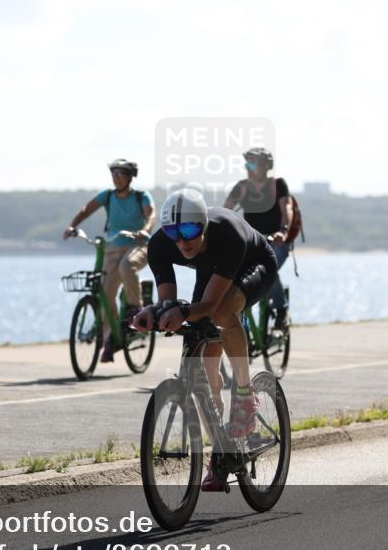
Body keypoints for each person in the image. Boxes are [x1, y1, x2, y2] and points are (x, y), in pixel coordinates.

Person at [132, 189, 279, 492]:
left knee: (224, 313)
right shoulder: (161, 244)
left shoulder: (226, 235)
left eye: (189, 231)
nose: (182, 241)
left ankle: (244, 393)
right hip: (212, 270)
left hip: (253, 263)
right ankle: (222, 455)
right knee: (203, 373)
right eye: (175, 232)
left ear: (204, 226)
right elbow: (167, 302)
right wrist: (151, 313)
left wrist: (184, 311)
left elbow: (209, 308)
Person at [64, 159, 156, 362]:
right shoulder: (108, 196)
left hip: (138, 245)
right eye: (113, 174)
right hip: (113, 248)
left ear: (131, 177)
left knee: (128, 266)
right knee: (105, 295)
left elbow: (151, 215)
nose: (116, 178)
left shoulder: (141, 196)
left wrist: (145, 230)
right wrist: (72, 226)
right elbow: (87, 208)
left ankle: (135, 308)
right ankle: (110, 338)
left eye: (120, 174)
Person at [224, 147, 293, 328]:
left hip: (276, 241)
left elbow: (287, 209)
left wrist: (283, 231)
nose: (249, 167)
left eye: (254, 163)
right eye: (247, 163)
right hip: (252, 243)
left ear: (267, 166)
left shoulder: (278, 185)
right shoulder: (242, 187)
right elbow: (226, 211)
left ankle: (281, 310)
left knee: (268, 269)